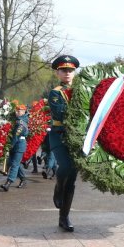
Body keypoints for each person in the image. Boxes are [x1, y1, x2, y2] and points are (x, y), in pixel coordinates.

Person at [48, 55, 80, 231]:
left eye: (70, 70)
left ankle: (64, 217)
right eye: (64, 70)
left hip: (76, 137)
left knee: (73, 177)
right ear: (58, 72)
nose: (67, 73)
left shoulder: (81, 90)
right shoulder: (56, 92)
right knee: (66, 167)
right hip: (59, 135)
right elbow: (60, 113)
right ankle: (58, 187)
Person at [1, 104, 29, 191]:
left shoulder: (21, 122)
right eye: (16, 111)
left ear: (24, 111)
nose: (17, 112)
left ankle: (8, 182)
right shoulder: (17, 120)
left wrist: (10, 145)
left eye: (19, 111)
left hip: (19, 145)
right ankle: (23, 179)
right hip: (15, 143)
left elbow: (16, 135)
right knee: (14, 163)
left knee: (15, 164)